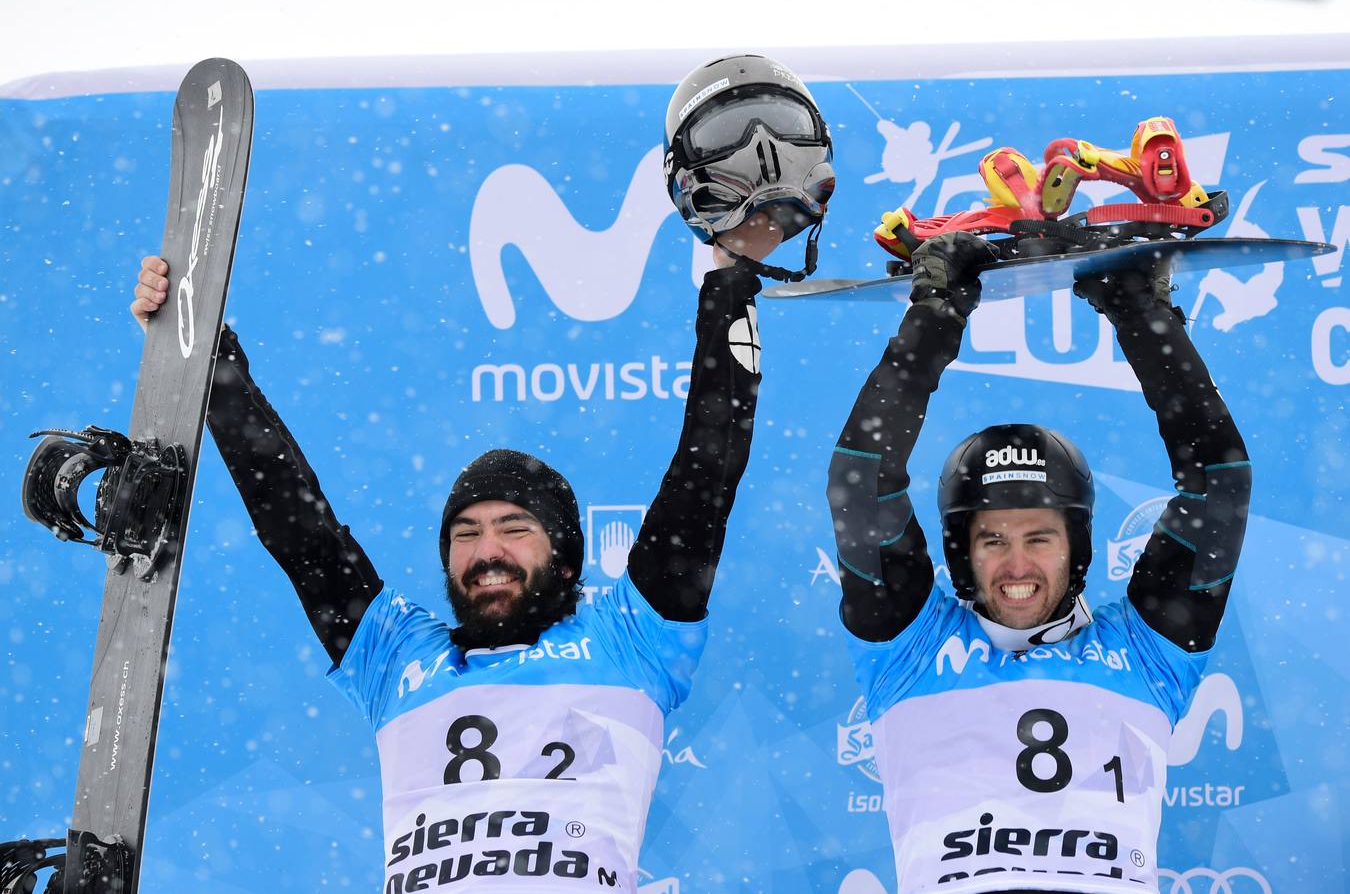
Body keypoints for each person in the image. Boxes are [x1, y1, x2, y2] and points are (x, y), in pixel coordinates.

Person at [131, 53, 831, 894]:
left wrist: (728, 284)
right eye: (465, 534)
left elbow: (708, 463)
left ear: (567, 559)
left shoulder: (632, 639)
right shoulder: (397, 656)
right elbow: (297, 524)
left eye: (513, 529)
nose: (485, 550)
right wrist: (208, 358)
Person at [827, 232, 1251, 892]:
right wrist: (936, 313)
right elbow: (861, 481)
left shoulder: (1147, 654)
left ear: (1077, 548)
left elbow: (1219, 480)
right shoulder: (909, 651)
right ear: (962, 554)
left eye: (1040, 538)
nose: (1016, 565)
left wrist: (1140, 312)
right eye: (992, 539)